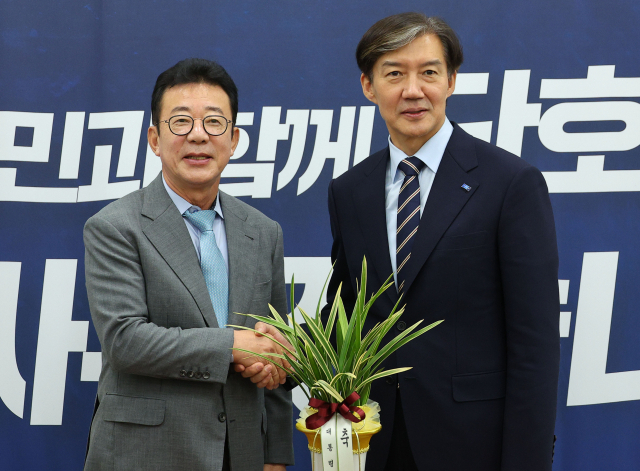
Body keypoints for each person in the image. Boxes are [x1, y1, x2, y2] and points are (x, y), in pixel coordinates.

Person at [323, 13, 560, 471]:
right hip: (377, 442)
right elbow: (345, 312)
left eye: (429, 72)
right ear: (369, 86)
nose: (413, 90)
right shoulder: (349, 191)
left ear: (451, 81)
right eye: (395, 74)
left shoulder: (509, 183)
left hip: (475, 445)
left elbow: (535, 344)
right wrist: (280, 355)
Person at [83, 58, 294, 471]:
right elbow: (125, 341)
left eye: (214, 122)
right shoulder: (114, 226)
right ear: (155, 138)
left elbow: (274, 343)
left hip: (242, 453)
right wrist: (233, 345)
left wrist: (275, 453)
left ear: (233, 140)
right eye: (180, 122)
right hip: (144, 453)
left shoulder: (263, 231)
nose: (198, 135)